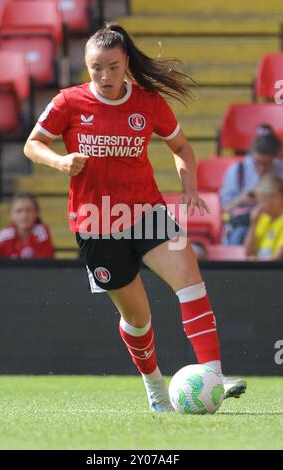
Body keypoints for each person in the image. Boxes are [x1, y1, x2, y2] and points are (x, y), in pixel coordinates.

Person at [24, 23, 246, 412]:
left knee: (190, 279)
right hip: (96, 222)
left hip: (146, 211)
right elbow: (32, 144)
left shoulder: (148, 102)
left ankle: (215, 375)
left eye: (112, 67)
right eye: (96, 68)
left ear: (126, 61)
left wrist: (189, 187)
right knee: (138, 320)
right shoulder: (68, 102)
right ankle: (155, 386)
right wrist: (59, 161)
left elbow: (180, 147)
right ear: (86, 66)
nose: (105, 77)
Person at [220, 133, 283, 245]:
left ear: (275, 158)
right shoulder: (238, 171)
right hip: (244, 223)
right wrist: (241, 199)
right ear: (251, 156)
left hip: (275, 222)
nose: (262, 168)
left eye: (267, 164)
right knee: (239, 236)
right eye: (257, 163)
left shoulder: (280, 169)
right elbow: (225, 208)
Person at [0, 192, 54, 259]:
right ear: (11, 214)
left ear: (37, 213)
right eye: (19, 211)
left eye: (29, 210)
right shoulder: (3, 237)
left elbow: (45, 265)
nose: (24, 215)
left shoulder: (42, 232)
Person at [244, 174, 283, 260]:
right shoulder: (263, 218)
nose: (259, 206)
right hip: (261, 270)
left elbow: (278, 258)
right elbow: (248, 252)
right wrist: (253, 223)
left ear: (278, 197)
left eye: (263, 201)